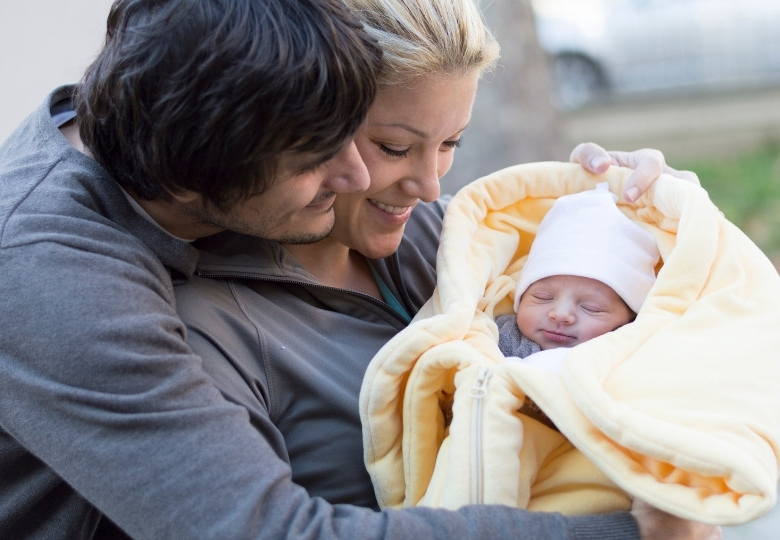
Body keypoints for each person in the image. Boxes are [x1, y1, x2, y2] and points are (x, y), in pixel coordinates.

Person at [174, 0, 718, 538]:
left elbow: (680, 337)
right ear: (302, 126)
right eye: (394, 147)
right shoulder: (208, 329)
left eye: (450, 143)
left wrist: (657, 219)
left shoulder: (454, 235)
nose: (430, 185)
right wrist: (627, 533)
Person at [497, 182, 661, 364]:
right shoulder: (500, 338)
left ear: (630, 318)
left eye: (592, 308)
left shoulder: (633, 354)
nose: (560, 314)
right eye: (542, 297)